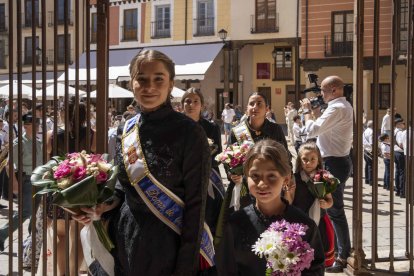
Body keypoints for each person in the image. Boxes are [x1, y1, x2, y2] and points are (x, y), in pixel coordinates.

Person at [73, 50, 212, 275]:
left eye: (159, 79)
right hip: (126, 238)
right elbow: (122, 186)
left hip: (170, 244)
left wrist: (185, 266)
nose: (149, 87)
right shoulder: (125, 129)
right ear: (132, 83)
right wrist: (100, 207)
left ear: (170, 84)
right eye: (142, 79)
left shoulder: (189, 132)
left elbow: (197, 204)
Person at [217, 139, 325, 275]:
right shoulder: (235, 224)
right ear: (246, 177)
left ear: (285, 179)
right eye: (255, 176)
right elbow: (225, 269)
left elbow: (316, 269)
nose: (262, 184)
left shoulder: (304, 225)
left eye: (272, 176)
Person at [300, 75, 353, 273]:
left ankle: (343, 255)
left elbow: (312, 130)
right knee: (330, 210)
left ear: (333, 90)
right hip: (336, 161)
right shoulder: (341, 106)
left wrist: (306, 111)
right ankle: (333, 251)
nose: (320, 94)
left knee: (335, 211)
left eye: (322, 90)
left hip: (334, 163)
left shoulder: (337, 107)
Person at [45, 100, 95, 275]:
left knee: (61, 236)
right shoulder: (91, 134)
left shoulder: (52, 135)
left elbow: (47, 162)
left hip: (59, 188)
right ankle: (74, 273)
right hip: (81, 189)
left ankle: (63, 273)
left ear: (63, 114)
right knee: (78, 235)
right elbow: (95, 158)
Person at [229, 92, 290, 212]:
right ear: (246, 108)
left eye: (259, 104)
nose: (254, 107)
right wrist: (232, 174)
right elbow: (229, 158)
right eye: (251, 104)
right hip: (246, 185)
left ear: (267, 109)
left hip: (271, 183)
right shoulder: (237, 131)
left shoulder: (275, 129)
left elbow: (286, 156)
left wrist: (288, 176)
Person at [181, 87, 224, 235]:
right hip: (182, 180)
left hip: (208, 181)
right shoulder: (175, 127)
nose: (191, 104)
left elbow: (218, 155)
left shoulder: (211, 128)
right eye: (187, 101)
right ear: (182, 105)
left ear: (202, 105)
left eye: (195, 101)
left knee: (209, 218)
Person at [0, 112, 42, 252]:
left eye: (37, 124)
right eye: (33, 124)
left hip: (39, 180)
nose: (37, 126)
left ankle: (31, 242)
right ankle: (2, 234)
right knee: (25, 212)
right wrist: (14, 183)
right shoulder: (18, 143)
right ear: (25, 126)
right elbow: (9, 165)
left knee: (36, 212)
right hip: (26, 180)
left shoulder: (38, 141)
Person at [289, 142, 335, 267]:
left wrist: (326, 204)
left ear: (318, 160)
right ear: (299, 160)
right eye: (304, 159)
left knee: (318, 258)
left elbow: (330, 200)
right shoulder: (294, 178)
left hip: (319, 224)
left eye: (312, 159)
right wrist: (288, 192)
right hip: (300, 224)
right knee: (300, 259)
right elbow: (289, 202)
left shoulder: (325, 178)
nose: (308, 162)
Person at [394, 118, 405, 198]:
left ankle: (397, 190)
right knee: (402, 172)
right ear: (398, 124)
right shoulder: (400, 132)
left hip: (395, 152)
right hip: (400, 153)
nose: (403, 124)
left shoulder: (395, 131)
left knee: (397, 171)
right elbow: (401, 144)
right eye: (402, 123)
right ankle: (401, 191)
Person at [363, 120, 374, 185]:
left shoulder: (365, 131)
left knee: (367, 165)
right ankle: (371, 181)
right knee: (371, 166)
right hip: (370, 150)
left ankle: (367, 180)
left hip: (366, 149)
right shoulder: (371, 131)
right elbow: (371, 142)